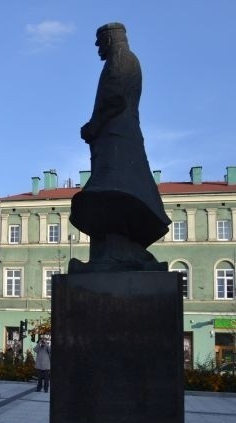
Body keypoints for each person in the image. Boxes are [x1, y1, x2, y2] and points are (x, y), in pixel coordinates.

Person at [70, 22, 170, 273]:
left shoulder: (121, 59)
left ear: (111, 39)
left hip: (117, 138)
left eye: (99, 41)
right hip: (116, 137)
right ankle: (109, 255)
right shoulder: (123, 59)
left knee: (111, 191)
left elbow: (115, 98)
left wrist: (94, 125)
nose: (96, 47)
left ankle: (115, 255)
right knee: (114, 192)